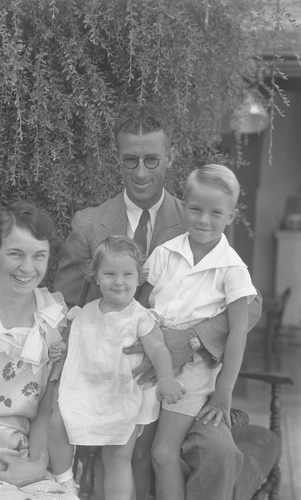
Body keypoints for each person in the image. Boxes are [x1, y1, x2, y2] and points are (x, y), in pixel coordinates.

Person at [53, 103, 262, 500]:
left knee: (218, 454)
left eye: (152, 159)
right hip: (113, 374)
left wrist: (192, 340)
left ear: (171, 156)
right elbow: (65, 304)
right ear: (117, 159)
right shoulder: (89, 223)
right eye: (130, 160)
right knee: (112, 452)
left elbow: (250, 306)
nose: (141, 172)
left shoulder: (199, 216)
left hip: (187, 378)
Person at [138, 164, 257, 500]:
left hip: (192, 372)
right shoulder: (165, 253)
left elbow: (238, 332)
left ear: (231, 216)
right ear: (184, 206)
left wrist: (224, 391)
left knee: (163, 452)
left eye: (215, 213)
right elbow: (138, 307)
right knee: (139, 450)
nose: (203, 220)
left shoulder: (232, 269)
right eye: (195, 209)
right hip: (149, 359)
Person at [49, 235, 184, 500]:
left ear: (138, 277)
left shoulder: (140, 317)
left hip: (123, 394)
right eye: (109, 273)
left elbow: (157, 348)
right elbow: (82, 344)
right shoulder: (85, 312)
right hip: (89, 389)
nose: (118, 281)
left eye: (127, 274)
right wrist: (64, 350)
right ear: (96, 276)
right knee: (58, 422)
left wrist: (166, 379)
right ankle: (64, 483)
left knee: (117, 456)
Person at [0, 201, 79, 500]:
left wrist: (37, 464)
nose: (28, 268)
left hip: (22, 453)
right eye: (16, 253)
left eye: (39, 256)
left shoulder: (55, 320)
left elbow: (47, 407)